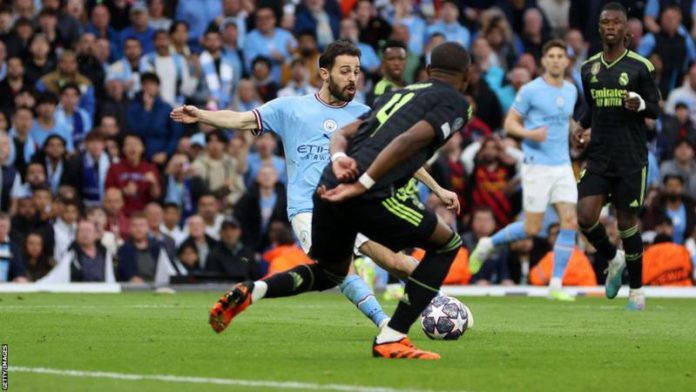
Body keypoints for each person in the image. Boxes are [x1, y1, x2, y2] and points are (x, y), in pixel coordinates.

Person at [203, 42, 472, 360]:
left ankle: (439, 308)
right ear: (324, 73)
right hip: (308, 208)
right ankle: (389, 327)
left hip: (347, 200)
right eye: (345, 71)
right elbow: (240, 119)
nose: (352, 78)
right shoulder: (291, 108)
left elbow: (399, 155)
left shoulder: (363, 112)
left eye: (357, 72)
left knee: (392, 264)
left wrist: (438, 188)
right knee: (349, 272)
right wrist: (201, 115)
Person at [469, 40, 579, 301]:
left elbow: (567, 120)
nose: (555, 60)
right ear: (543, 61)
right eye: (550, 56)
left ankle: (555, 284)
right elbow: (509, 124)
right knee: (532, 228)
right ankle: (488, 243)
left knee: (570, 221)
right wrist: (531, 133)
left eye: (559, 56)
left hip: (562, 164)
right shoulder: (531, 90)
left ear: (566, 61)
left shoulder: (572, 90)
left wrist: (577, 132)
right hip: (536, 165)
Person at [573, 3, 660, 311]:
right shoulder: (589, 67)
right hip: (598, 156)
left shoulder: (641, 66)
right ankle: (613, 258)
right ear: (599, 29)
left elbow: (655, 107)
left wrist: (639, 103)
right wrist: (581, 127)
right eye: (604, 22)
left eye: (615, 23)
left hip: (630, 158)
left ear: (627, 31)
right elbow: (591, 108)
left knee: (626, 223)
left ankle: (636, 290)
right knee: (584, 216)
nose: (609, 27)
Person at [366, 40, 407, 107]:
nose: (396, 63)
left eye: (401, 59)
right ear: (383, 63)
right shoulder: (379, 90)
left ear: (406, 62)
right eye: (391, 59)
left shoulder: (409, 86)